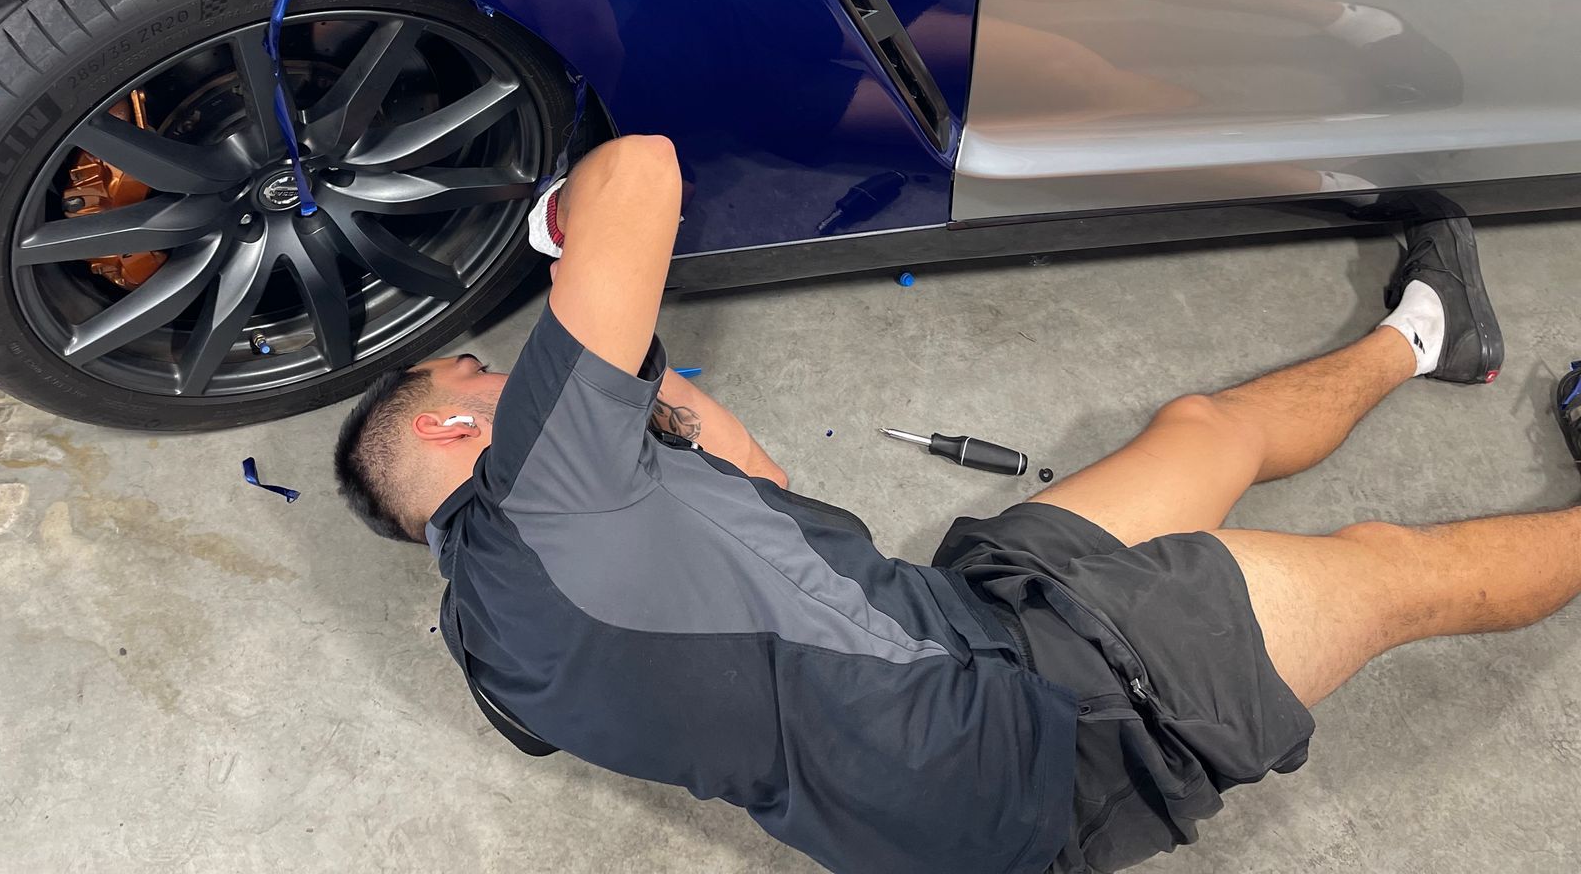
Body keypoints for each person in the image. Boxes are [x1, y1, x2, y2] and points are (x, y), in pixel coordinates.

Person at [332, 135, 1568, 873]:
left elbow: (762, 500)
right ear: (452, 423)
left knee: (1203, 431)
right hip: (1010, 746)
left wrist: (651, 402)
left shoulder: (489, 645)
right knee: (1395, 569)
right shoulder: (537, 489)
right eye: (480, 372)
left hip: (950, 630)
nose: (510, 370)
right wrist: (560, 233)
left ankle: (1430, 333)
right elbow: (638, 173)